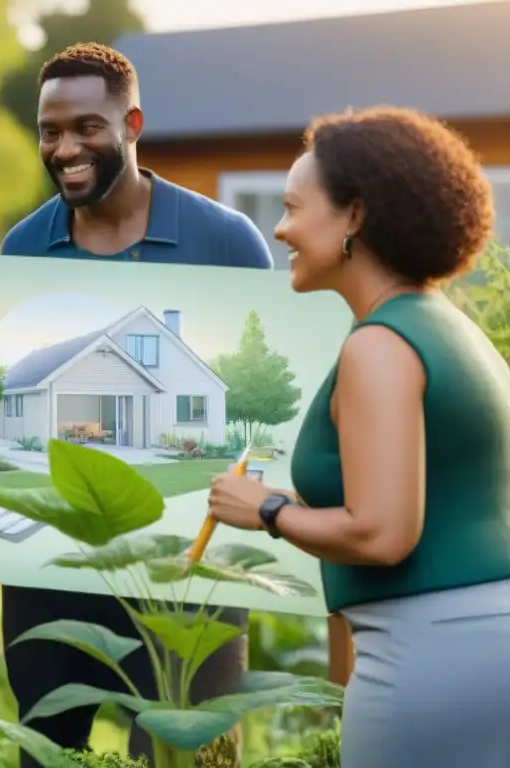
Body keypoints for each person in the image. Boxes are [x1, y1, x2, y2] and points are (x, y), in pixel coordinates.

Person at [207, 106, 510, 767]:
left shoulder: (378, 346)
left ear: (354, 215)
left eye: (293, 206)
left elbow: (382, 532)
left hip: (428, 658)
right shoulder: (447, 328)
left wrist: (267, 511)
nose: (280, 227)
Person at [0, 43, 273, 765]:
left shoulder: (225, 240)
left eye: (86, 127)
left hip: (191, 580)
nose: (64, 148)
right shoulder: (23, 248)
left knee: (188, 754)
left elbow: (266, 402)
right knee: (48, 751)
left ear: (133, 124)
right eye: (49, 131)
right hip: (52, 576)